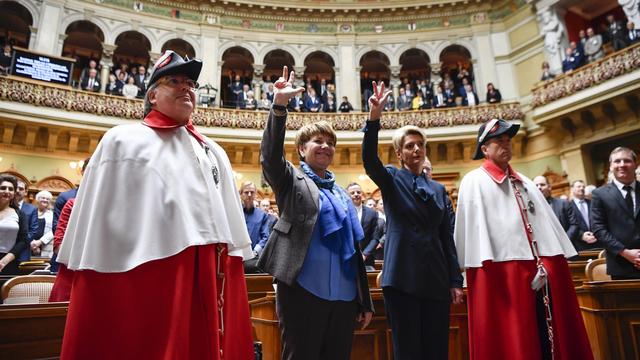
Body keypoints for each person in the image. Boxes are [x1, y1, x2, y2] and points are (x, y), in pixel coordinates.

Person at [54, 50, 254, 359]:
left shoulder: (212, 150)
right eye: (174, 80)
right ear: (151, 94)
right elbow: (93, 230)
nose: (185, 87)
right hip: (141, 278)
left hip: (204, 276)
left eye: (190, 83)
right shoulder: (122, 141)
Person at [258, 66, 373, 360]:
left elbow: (354, 249)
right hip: (303, 291)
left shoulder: (341, 193)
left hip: (345, 295)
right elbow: (270, 157)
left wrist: (364, 301)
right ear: (301, 149)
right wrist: (279, 106)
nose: (325, 146)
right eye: (318, 141)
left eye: (330, 143)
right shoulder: (291, 180)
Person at [454, 118, 593, 360]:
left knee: (546, 336)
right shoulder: (473, 182)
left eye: (508, 140)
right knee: (513, 338)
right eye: (499, 141)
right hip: (501, 273)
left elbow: (547, 231)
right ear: (484, 148)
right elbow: (473, 240)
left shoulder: (526, 182)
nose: (506, 145)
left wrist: (547, 265)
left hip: (540, 270)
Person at [362, 81, 463, 359]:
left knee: (436, 349)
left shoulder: (439, 190)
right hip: (402, 276)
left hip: (436, 278)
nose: (416, 149)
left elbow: (446, 237)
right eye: (409, 146)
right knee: (408, 350)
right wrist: (374, 118)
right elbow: (370, 161)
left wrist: (455, 279)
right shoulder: (393, 179)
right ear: (399, 153)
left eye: (420, 145)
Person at [591, 147, 640, 279]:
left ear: (635, 164)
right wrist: (625, 253)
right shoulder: (599, 194)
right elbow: (598, 229)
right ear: (611, 166)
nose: (622, 165)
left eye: (627, 161)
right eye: (617, 161)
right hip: (621, 265)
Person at [533, 175, 580, 250]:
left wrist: (564, 241)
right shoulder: (530, 208)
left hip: (567, 249)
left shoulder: (563, 203)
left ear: (549, 187)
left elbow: (574, 225)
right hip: (545, 250)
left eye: (542, 185)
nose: (539, 187)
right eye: (536, 185)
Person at [347, 182, 381, 269]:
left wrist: (365, 254)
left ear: (362, 194)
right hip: (348, 257)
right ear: (347, 195)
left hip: (367, 258)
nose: (356, 195)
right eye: (352, 193)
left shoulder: (372, 213)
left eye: (358, 192)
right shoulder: (344, 212)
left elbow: (375, 237)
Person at [0, 174, 28, 275]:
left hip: (9, 262)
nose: (7, 191)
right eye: (3, 188)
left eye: (10, 189)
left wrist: (4, 261)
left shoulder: (20, 214)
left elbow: (23, 240)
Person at [568, 180, 600, 252]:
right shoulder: (568, 206)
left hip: (597, 242)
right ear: (572, 189)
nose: (582, 188)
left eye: (583, 187)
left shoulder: (592, 203)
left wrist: (596, 233)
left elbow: (598, 219)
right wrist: (581, 236)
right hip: (580, 246)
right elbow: (568, 225)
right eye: (579, 186)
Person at [239, 181, 270, 256]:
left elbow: (265, 236)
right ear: (241, 194)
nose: (249, 195)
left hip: (254, 257)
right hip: (237, 254)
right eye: (246, 192)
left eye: (252, 192)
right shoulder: (235, 213)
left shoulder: (262, 215)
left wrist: (255, 251)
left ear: (255, 194)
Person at [15, 180, 38, 262]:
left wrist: (20, 244)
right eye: (16, 188)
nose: (17, 191)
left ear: (25, 192)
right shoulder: (4, 206)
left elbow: (33, 231)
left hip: (22, 252)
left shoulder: (32, 209)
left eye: (21, 189)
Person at [29, 190, 54, 258]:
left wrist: (40, 242)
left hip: (44, 247)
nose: (45, 200)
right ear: (37, 199)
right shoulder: (31, 211)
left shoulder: (52, 215)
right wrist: (31, 243)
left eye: (47, 199)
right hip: (28, 245)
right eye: (43, 198)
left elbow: (53, 231)